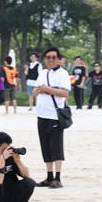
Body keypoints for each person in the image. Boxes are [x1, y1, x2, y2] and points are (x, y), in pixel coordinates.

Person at [33, 46, 70, 189]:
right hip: (41, 114)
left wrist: (46, 89)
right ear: (45, 59)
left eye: (54, 57)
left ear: (59, 59)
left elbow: (64, 93)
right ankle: (49, 177)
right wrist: (44, 90)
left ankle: (57, 178)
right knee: (45, 146)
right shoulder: (42, 73)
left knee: (56, 147)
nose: (51, 60)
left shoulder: (63, 74)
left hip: (55, 115)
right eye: (48, 57)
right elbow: (35, 91)